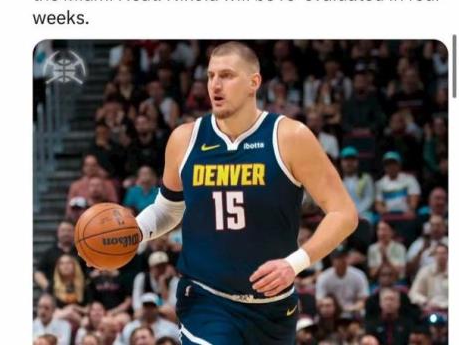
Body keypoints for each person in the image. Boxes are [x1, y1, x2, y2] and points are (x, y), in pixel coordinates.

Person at [132, 42, 358, 344]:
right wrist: (133, 232)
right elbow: (168, 209)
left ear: (254, 82)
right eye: (211, 76)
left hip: (273, 307)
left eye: (226, 75)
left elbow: (344, 213)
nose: (215, 85)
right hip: (205, 299)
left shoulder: (289, 137)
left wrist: (294, 263)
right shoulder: (185, 139)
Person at [316, 247, 369, 316]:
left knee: (360, 313)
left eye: (344, 257)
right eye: (338, 258)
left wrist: (353, 308)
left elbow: (362, 300)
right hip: (331, 312)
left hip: (352, 311)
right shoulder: (324, 277)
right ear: (332, 260)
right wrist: (329, 308)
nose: (342, 260)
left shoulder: (359, 275)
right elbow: (320, 300)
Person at [34, 220, 81, 291]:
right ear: (58, 233)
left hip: (80, 292)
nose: (66, 233)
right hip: (55, 292)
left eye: (69, 230)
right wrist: (49, 288)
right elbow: (38, 272)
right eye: (63, 230)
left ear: (75, 232)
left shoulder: (82, 252)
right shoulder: (49, 253)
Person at [409, 243, 448, 311]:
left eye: (444, 253)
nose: (441, 256)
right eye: (438, 253)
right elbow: (413, 293)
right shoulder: (425, 271)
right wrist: (425, 302)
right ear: (434, 256)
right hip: (431, 309)